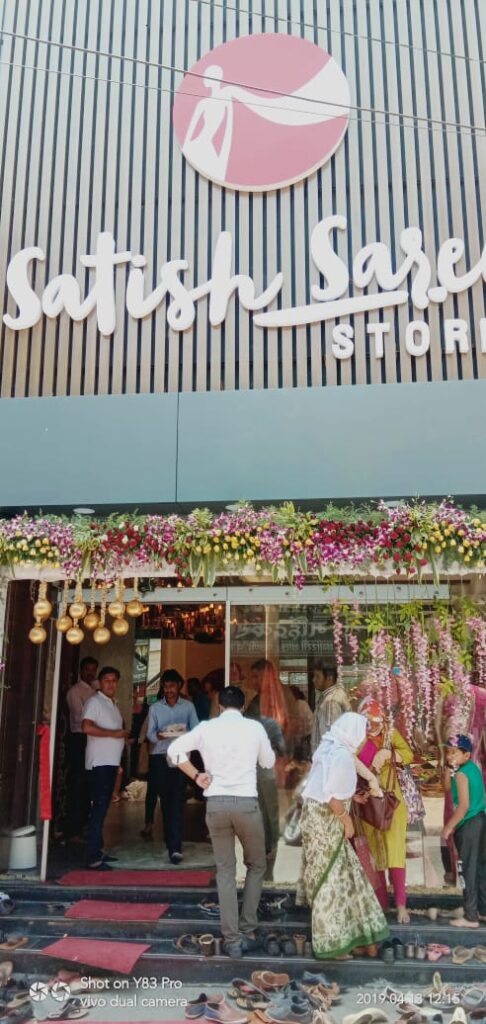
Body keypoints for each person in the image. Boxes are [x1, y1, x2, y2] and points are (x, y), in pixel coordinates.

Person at [167, 685, 275, 957]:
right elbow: (268, 762)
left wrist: (196, 775)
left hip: (216, 805)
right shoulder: (254, 728)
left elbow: (174, 751)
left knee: (225, 871)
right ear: (243, 706)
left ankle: (232, 940)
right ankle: (248, 928)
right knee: (257, 865)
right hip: (246, 804)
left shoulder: (207, 728)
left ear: (219, 706)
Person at [297, 712, 389, 959]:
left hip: (317, 820)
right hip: (326, 823)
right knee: (331, 881)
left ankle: (353, 937)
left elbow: (326, 783)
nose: (363, 739)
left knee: (342, 876)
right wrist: (346, 819)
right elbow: (331, 796)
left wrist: (356, 793)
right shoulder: (340, 756)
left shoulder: (331, 747)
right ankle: (332, 945)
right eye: (361, 733)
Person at [357, 700, 414, 923]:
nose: (374, 727)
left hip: (392, 803)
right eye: (369, 722)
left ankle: (401, 906)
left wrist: (388, 754)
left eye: (377, 722)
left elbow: (408, 755)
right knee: (374, 854)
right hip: (368, 802)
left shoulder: (391, 733)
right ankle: (381, 905)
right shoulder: (357, 738)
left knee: (395, 851)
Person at [146, 669, 199, 863]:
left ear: (179, 686)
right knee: (166, 800)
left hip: (180, 758)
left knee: (177, 800)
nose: (169, 690)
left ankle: (175, 847)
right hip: (160, 757)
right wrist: (159, 735)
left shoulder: (188, 707)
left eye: (172, 686)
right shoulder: (155, 708)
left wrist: (184, 734)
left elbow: (196, 730)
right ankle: (170, 841)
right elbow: (149, 734)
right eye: (166, 686)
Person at [82, 666, 129, 870]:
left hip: (110, 763)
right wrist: (114, 734)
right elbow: (86, 727)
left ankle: (98, 850)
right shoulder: (95, 702)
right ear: (100, 683)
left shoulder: (113, 704)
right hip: (99, 763)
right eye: (107, 680)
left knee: (103, 809)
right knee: (98, 808)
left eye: (114, 680)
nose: (111, 684)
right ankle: (92, 856)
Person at [442, 734, 486, 929]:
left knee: (468, 869)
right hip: (481, 821)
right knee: (480, 868)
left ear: (466, 755)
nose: (450, 755)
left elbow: (463, 806)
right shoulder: (471, 769)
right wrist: (447, 768)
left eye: (454, 752)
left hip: (469, 824)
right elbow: (446, 787)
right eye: (448, 752)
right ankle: (482, 910)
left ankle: (470, 917)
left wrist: (449, 827)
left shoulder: (461, 775)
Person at [246, 702, 286, 881]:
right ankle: (273, 846)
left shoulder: (244, 726)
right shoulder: (271, 724)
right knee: (271, 811)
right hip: (267, 771)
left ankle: (261, 847)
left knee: (257, 810)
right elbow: (282, 749)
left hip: (248, 772)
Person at [63, 656, 99, 841]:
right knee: (78, 782)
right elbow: (80, 717)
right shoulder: (74, 692)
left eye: (93, 670)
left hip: (92, 739)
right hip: (79, 739)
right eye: (87, 669)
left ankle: (85, 824)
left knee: (89, 783)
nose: (90, 673)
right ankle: (74, 827)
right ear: (81, 671)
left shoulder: (95, 691)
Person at [311, 662, 350, 753]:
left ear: (329, 678)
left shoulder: (331, 701)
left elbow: (330, 737)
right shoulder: (333, 695)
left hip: (327, 757)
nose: (313, 680)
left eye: (317, 676)